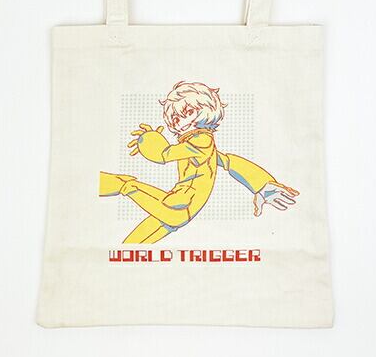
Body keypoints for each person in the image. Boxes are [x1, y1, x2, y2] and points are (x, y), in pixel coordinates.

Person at [99, 81, 299, 244]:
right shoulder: (201, 143)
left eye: (186, 112)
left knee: (126, 184)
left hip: (178, 207)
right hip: (176, 208)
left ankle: (88, 185)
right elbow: (228, 162)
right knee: (132, 246)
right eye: (173, 116)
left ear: (207, 112)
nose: (177, 120)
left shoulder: (201, 140)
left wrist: (148, 139)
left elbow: (163, 155)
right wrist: (262, 184)